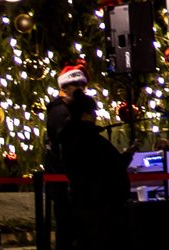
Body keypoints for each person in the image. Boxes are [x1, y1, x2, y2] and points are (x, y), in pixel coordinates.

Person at [57, 92, 131, 244]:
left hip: (79, 201)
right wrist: (127, 156)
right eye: (93, 112)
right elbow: (113, 166)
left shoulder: (67, 137)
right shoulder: (91, 139)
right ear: (86, 114)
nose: (96, 115)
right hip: (100, 205)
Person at [45, 62, 89, 249]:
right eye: (76, 85)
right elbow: (68, 144)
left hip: (64, 182)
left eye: (82, 85)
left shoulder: (62, 111)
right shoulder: (62, 113)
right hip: (65, 183)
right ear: (64, 87)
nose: (80, 89)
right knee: (68, 230)